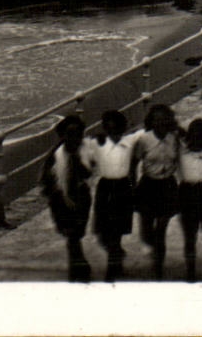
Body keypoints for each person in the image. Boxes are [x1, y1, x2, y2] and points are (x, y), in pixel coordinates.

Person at [129, 103, 182, 281]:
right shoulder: (144, 140)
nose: (160, 123)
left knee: (161, 228)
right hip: (148, 186)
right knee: (147, 230)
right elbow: (133, 164)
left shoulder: (175, 138)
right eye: (156, 120)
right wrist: (132, 186)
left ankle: (158, 267)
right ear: (151, 122)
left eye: (163, 119)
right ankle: (151, 247)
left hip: (168, 186)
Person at [40, 114, 93, 282]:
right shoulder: (55, 156)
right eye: (70, 134)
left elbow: (88, 173)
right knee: (72, 235)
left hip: (81, 197)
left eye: (78, 134)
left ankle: (79, 266)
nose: (74, 139)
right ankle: (77, 268)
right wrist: (60, 198)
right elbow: (46, 182)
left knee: (77, 233)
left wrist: (77, 161)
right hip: (60, 199)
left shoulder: (85, 151)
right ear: (62, 136)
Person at [85, 110, 135, 282]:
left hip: (123, 186)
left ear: (122, 129)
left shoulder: (130, 142)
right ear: (105, 129)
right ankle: (117, 255)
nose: (113, 133)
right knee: (102, 232)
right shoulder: (96, 143)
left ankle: (112, 268)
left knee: (117, 230)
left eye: (116, 129)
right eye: (109, 129)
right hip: (105, 187)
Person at [176, 118, 202, 282]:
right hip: (186, 192)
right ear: (189, 135)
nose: (198, 139)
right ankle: (190, 268)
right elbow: (177, 131)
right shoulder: (181, 151)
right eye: (194, 135)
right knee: (189, 233)